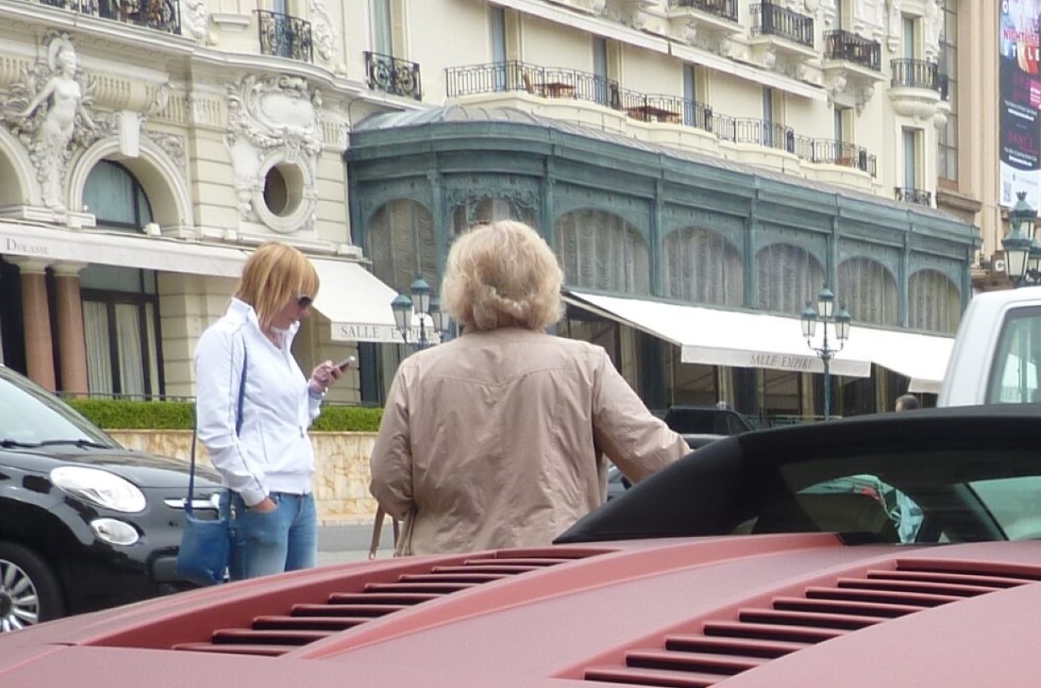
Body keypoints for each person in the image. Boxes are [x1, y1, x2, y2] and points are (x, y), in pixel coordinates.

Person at [369, 221, 686, 554]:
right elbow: (657, 459)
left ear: (460, 288)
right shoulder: (585, 365)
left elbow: (388, 484)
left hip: (445, 577)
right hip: (550, 572)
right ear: (545, 284)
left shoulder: (417, 373)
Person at [193, 242, 346, 580]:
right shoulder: (227, 339)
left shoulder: (278, 343)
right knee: (260, 616)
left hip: (299, 495)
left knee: (299, 611)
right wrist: (257, 497)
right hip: (264, 497)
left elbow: (291, 422)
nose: (304, 311)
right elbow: (215, 429)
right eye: (302, 299)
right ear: (273, 288)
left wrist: (314, 390)